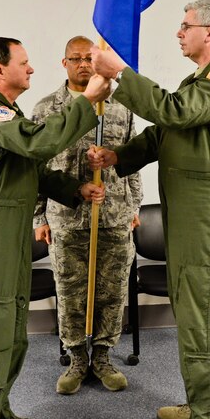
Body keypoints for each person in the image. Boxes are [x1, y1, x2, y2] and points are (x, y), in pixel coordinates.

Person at [88, 0, 210, 419]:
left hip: (209, 210)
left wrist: (120, 74)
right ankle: (207, 400)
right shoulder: (198, 80)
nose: (179, 32)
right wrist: (118, 157)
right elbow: (166, 132)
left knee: (202, 305)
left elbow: (174, 112)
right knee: (193, 302)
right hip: (194, 209)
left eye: (186, 26)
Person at [0, 37, 110, 419]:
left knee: (10, 319)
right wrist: (86, 100)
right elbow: (38, 144)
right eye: (24, 63)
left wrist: (73, 188)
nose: (32, 69)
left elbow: (31, 169)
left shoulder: (7, 110)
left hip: (7, 224)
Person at [31, 35, 143, 395]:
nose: (82, 64)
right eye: (75, 58)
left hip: (113, 216)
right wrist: (39, 218)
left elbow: (133, 161)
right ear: (64, 64)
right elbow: (35, 166)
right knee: (71, 291)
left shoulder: (120, 106)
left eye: (88, 58)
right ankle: (77, 360)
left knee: (112, 291)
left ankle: (104, 357)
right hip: (66, 219)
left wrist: (135, 207)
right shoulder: (47, 108)